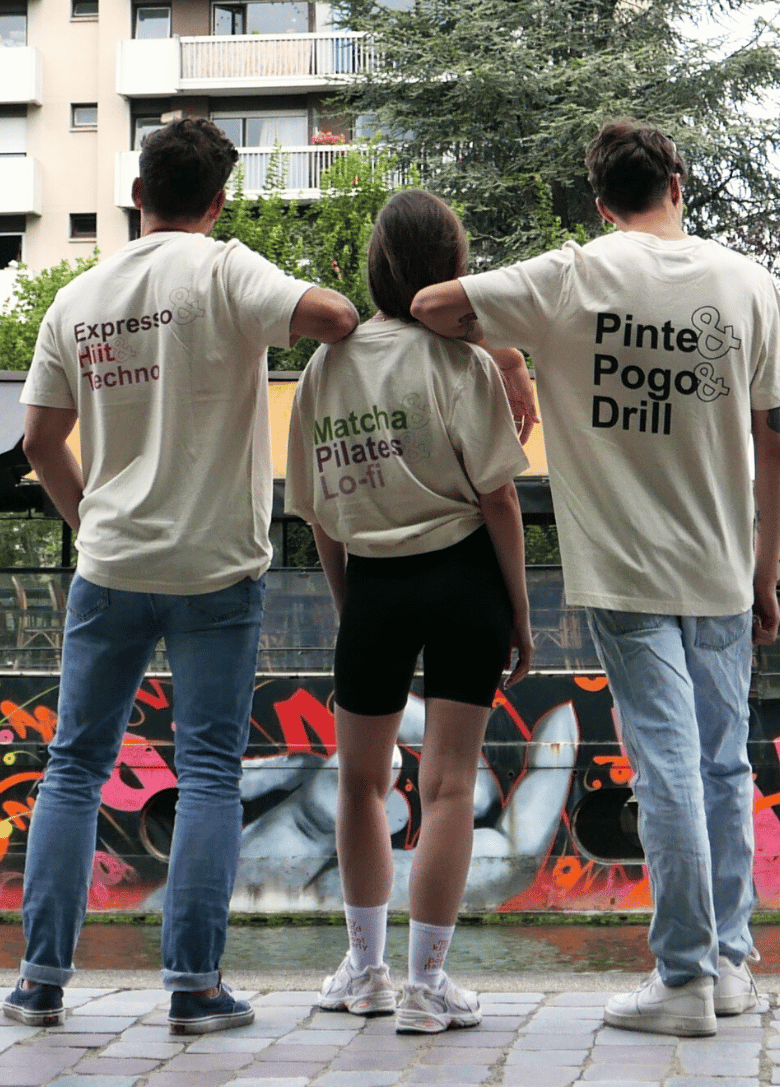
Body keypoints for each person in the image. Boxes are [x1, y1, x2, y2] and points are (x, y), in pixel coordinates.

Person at [410, 118, 780, 1037]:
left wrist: (507, 351)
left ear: (602, 202)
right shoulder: (750, 284)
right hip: (723, 566)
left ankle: (685, 976)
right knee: (723, 764)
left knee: (667, 769)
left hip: (623, 571)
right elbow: (774, 443)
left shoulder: (571, 276)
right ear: (677, 186)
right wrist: (768, 570)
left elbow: (430, 304)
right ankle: (731, 966)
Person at [5, 117, 358, 1035]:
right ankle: (194, 987)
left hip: (111, 565)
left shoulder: (77, 297)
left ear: (137, 196)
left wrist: (91, 523)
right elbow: (336, 318)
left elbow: (40, 440)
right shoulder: (226, 270)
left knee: (73, 767)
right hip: (215, 569)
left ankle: (40, 979)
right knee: (206, 771)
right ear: (218, 203)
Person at [285, 190, 534, 1033]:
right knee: (451, 785)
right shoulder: (463, 364)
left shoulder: (325, 368)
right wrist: (520, 614)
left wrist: (350, 602)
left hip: (375, 584)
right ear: (451, 265)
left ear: (376, 265)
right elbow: (499, 497)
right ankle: (428, 986)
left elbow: (319, 515)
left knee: (360, 782)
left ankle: (366, 972)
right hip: (466, 580)